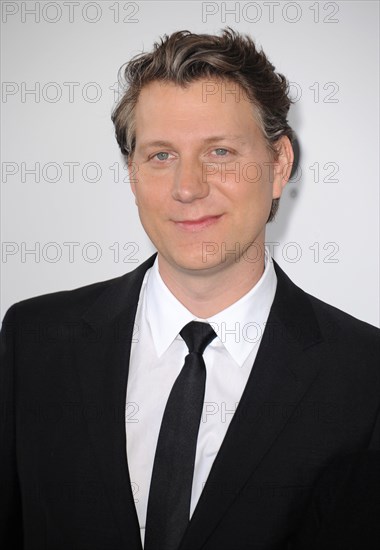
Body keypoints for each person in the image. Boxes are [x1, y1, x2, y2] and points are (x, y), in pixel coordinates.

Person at [1, 28, 379, 550]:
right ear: (132, 174)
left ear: (279, 165)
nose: (188, 187)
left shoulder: (365, 375)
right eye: (160, 156)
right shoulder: (32, 340)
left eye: (220, 151)